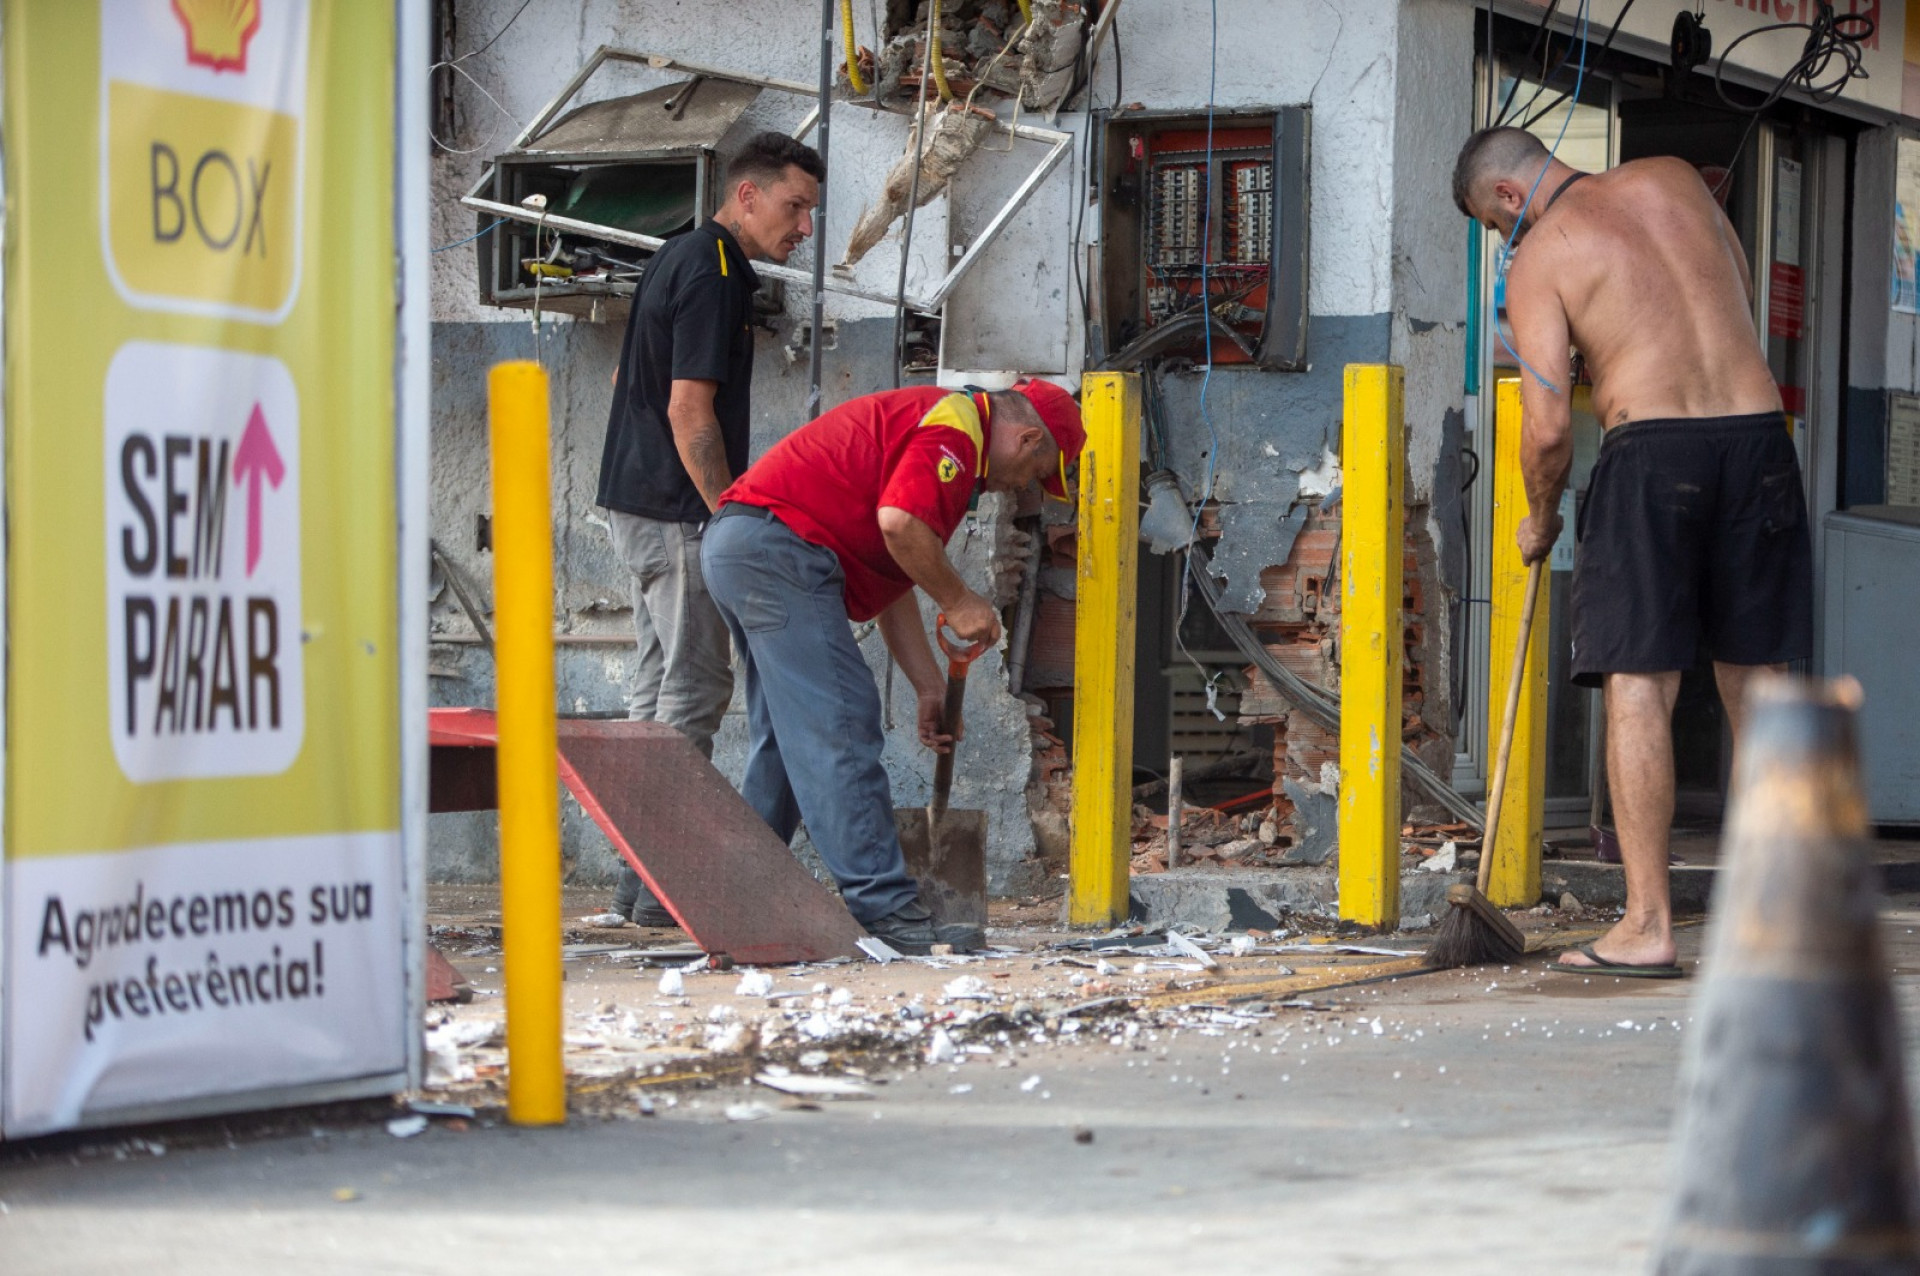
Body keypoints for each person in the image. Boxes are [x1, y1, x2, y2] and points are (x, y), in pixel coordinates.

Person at [1452, 127, 1812, 979]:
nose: (1507, 240)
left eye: (1497, 226)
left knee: (1641, 684)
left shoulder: (1542, 255)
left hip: (1652, 449)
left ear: (1508, 197)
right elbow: (1739, 295)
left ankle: (1648, 924)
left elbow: (1545, 432)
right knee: (1759, 678)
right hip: (1758, 436)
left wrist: (1540, 520)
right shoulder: (1680, 175)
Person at [700, 381, 1086, 953]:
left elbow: (893, 569)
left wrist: (928, 684)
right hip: (780, 550)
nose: (1025, 484)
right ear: (1026, 436)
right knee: (843, 721)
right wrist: (960, 600)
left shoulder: (943, 431)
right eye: (1036, 468)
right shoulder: (956, 432)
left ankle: (742, 901)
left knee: (786, 738)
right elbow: (901, 525)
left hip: (746, 545)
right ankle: (885, 908)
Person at [596, 131, 824, 926]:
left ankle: (633, 884)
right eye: (795, 207)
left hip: (633, 500)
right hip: (675, 511)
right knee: (693, 690)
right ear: (748, 194)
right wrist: (727, 512)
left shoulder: (676, 253)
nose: (803, 228)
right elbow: (688, 408)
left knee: (655, 691)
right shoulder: (719, 270)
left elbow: (630, 375)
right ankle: (659, 886)